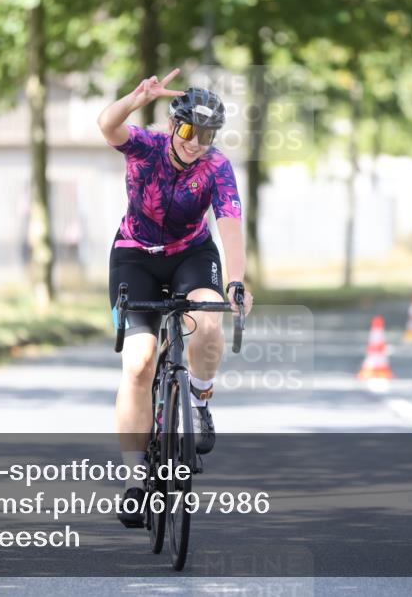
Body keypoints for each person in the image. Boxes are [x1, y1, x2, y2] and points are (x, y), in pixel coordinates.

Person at [97, 68, 253, 528]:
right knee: (140, 361)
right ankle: (134, 481)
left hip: (190, 254)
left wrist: (237, 281)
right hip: (134, 257)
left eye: (206, 134)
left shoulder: (216, 167)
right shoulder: (144, 146)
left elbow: (230, 225)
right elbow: (107, 125)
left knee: (207, 320)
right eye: (188, 131)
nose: (195, 142)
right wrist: (134, 97)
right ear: (172, 126)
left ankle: (200, 403)